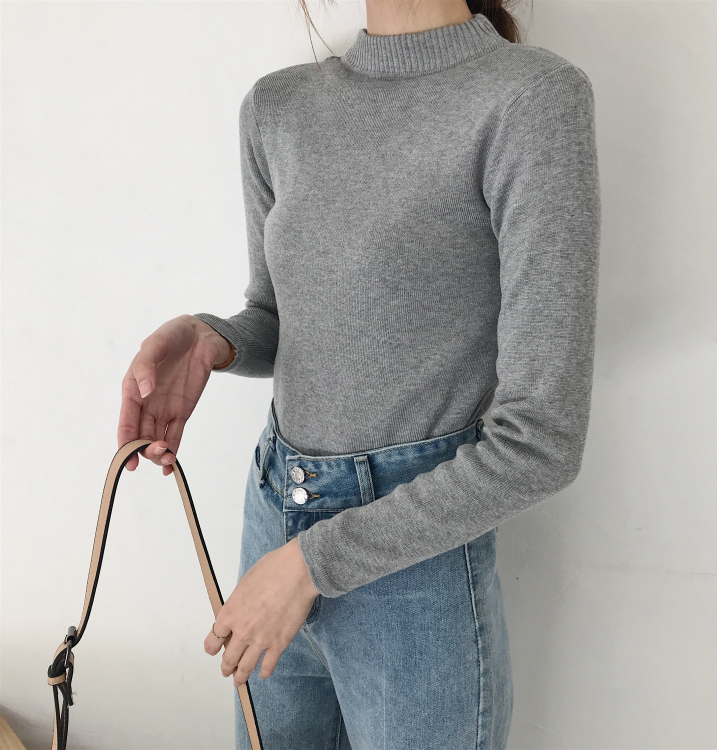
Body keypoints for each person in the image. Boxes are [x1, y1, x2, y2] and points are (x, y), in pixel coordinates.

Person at [117, 0, 601, 747]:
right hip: (272, 521)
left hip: (412, 570)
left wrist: (312, 565)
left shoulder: (531, 97)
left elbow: (542, 441)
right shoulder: (278, 106)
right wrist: (215, 339)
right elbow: (282, 317)